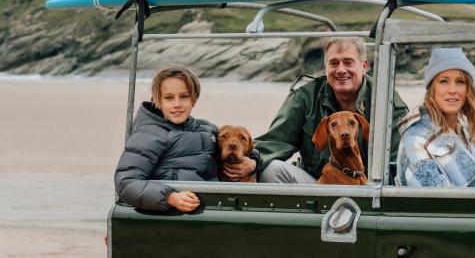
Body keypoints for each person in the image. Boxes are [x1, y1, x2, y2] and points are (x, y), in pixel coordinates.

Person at [221, 38, 409, 184]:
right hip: (317, 185)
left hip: (368, 188)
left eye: (348, 62)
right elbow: (275, 141)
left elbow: (397, 161)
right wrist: (254, 161)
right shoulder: (305, 97)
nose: (341, 70)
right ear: (325, 67)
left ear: (363, 66)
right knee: (271, 169)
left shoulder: (386, 100)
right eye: (334, 63)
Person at [114, 66, 217, 211]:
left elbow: (242, 148)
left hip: (213, 204)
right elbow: (126, 182)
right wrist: (169, 197)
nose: (177, 104)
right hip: (171, 212)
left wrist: (251, 162)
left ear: (194, 99)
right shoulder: (150, 134)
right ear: (158, 101)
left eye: (184, 96)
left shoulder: (206, 129)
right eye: (169, 98)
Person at [396, 48, 475, 188]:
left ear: (468, 90)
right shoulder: (416, 141)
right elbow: (439, 204)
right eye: (444, 81)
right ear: (432, 88)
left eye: (460, 82)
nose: (452, 90)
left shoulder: (469, 136)